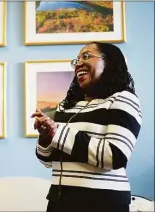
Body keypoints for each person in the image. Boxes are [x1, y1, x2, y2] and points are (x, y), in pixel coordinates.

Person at [31, 42, 142, 212]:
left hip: (103, 203)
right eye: (76, 60)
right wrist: (46, 136)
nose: (79, 64)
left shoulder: (123, 99)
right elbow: (47, 161)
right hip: (59, 201)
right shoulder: (66, 107)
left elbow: (115, 156)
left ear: (109, 62)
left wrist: (57, 132)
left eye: (87, 56)